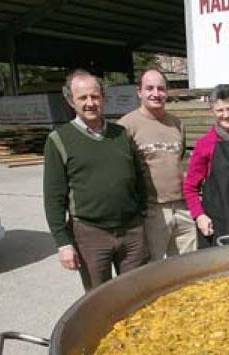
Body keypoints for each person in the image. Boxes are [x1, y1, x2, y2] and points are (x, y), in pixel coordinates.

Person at [43, 70, 147, 291]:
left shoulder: (122, 134)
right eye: (82, 98)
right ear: (70, 101)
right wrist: (63, 243)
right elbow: (54, 198)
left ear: (103, 98)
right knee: (98, 298)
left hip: (131, 231)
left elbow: (140, 178)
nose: (90, 103)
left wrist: (142, 215)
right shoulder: (59, 140)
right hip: (90, 235)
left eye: (95, 96)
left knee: (135, 293)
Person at [118, 68, 196, 261]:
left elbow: (180, 160)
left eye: (161, 88)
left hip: (182, 207)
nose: (156, 93)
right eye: (149, 88)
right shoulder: (126, 126)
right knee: (154, 267)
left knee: (188, 265)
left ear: (167, 92)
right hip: (152, 210)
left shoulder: (176, 124)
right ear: (139, 92)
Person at [183, 84, 229, 247]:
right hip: (215, 223)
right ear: (212, 111)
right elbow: (190, 188)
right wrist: (199, 216)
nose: (226, 115)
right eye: (220, 110)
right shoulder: (204, 144)